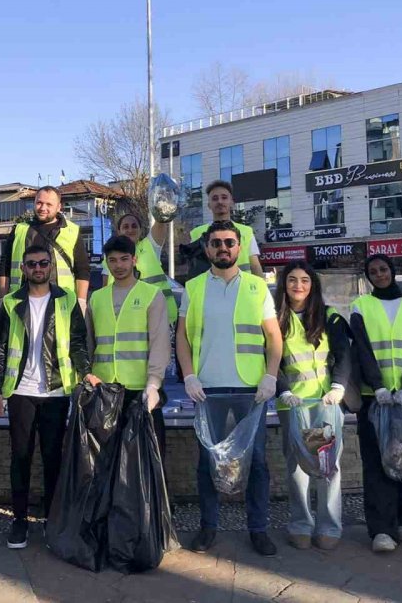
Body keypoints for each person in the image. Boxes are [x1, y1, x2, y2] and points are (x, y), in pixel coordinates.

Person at [176, 221, 282, 556]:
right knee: (208, 462)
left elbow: (273, 337)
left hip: (251, 389)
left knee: (258, 463)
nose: (223, 248)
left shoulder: (257, 286)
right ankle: (208, 528)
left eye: (230, 242)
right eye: (216, 243)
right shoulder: (193, 287)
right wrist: (189, 375)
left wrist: (270, 376)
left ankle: (258, 529)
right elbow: (182, 336)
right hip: (208, 389)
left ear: (239, 247)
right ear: (207, 248)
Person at [0, 245, 90, 550]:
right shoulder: (9, 303)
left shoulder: (67, 299)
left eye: (43, 263)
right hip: (20, 391)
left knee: (52, 459)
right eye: (31, 264)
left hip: (56, 391)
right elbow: (0, 348)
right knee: (20, 458)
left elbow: (78, 343)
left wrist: (84, 374)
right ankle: (19, 521)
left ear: (50, 266)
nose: (37, 268)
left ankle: (51, 520)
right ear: (23, 268)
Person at [350, 253, 402, 553]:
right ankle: (381, 529)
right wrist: (378, 385)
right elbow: (363, 349)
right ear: (368, 277)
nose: (379, 274)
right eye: (373, 271)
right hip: (376, 398)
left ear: (393, 271)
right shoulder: (361, 306)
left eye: (383, 269)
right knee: (376, 461)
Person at [273, 260, 351, 551]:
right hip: (293, 406)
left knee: (327, 464)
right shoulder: (276, 320)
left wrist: (338, 386)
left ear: (313, 285)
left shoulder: (329, 317)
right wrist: (282, 391)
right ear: (285, 284)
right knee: (296, 467)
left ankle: (329, 526)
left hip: (323, 405)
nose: (298, 286)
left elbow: (344, 355)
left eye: (304, 280)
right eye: (292, 280)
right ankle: (300, 524)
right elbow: (270, 362)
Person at [85, 235, 170, 452]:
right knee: (106, 459)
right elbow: (89, 342)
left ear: (134, 260)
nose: (118, 265)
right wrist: (86, 375)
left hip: (140, 389)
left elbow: (159, 343)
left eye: (124, 259)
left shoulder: (151, 295)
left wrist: (154, 385)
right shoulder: (97, 298)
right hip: (104, 388)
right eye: (112, 260)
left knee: (144, 458)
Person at [0, 185, 89, 306]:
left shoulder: (72, 231)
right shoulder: (19, 229)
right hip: (21, 301)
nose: (43, 208)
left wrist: (81, 302)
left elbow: (82, 270)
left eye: (49, 204)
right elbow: (5, 266)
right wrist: (3, 299)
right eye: (39, 203)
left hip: (61, 301)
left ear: (58, 207)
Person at [103, 213, 177, 322]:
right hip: (126, 319)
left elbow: (160, 223)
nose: (130, 230)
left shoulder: (150, 246)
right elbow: (104, 291)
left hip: (158, 315)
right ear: (119, 231)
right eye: (125, 227)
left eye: (134, 226)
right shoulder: (109, 258)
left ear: (140, 230)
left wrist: (162, 210)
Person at [188, 181, 263, 277]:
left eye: (224, 197)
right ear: (209, 205)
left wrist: (262, 289)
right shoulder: (196, 234)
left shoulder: (246, 232)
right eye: (215, 198)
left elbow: (255, 266)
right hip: (209, 290)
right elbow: (193, 270)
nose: (220, 201)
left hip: (241, 289)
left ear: (232, 202)